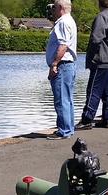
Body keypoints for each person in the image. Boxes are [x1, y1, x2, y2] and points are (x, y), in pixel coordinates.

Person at [75, 0, 108, 130]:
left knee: (93, 90)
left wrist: (90, 54)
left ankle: (87, 119)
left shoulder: (102, 17)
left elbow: (96, 39)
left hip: (101, 61)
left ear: (100, 3)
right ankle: (107, 118)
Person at [45, 0, 78, 140]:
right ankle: (67, 128)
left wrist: (54, 64)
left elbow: (63, 46)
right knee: (67, 98)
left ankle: (64, 130)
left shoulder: (63, 22)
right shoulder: (68, 21)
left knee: (62, 99)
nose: (53, 10)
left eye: (55, 7)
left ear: (61, 7)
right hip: (67, 65)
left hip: (63, 65)